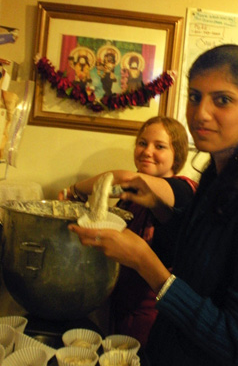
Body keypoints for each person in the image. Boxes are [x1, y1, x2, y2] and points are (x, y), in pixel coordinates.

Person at [68, 44, 238, 365]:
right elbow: (202, 262)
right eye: (194, 97)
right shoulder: (217, 174)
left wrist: (144, 262)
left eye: (222, 100)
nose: (200, 113)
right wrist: (163, 211)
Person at [59, 116, 198, 347]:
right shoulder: (130, 198)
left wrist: (73, 190)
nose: (147, 151)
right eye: (142, 143)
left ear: (178, 154)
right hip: (120, 310)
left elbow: (125, 178)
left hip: (155, 317)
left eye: (160, 146)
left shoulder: (183, 190)